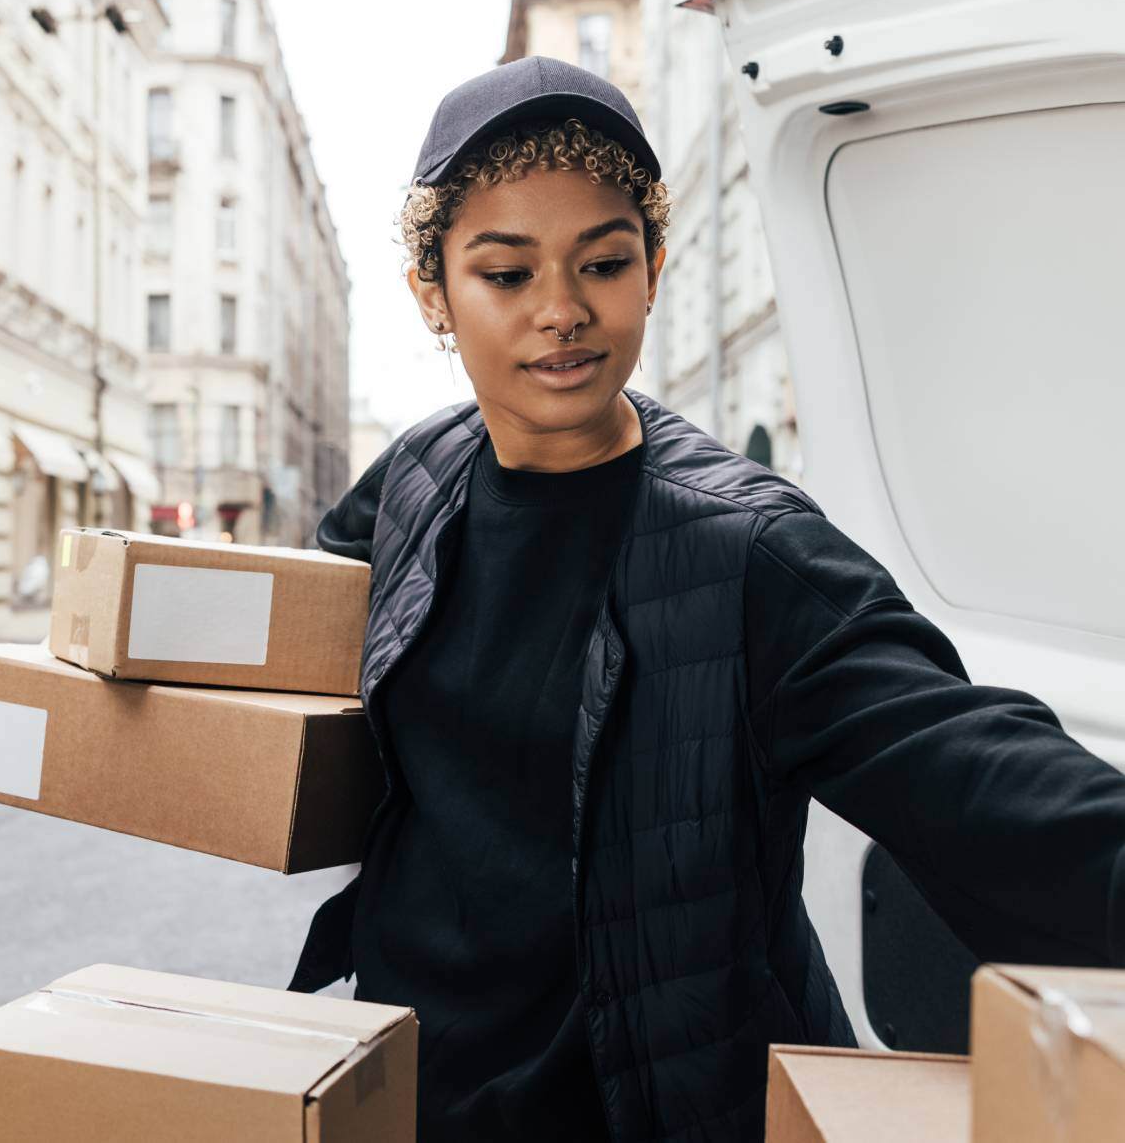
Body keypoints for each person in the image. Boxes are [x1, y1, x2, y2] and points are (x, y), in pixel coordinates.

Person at [287, 56, 1125, 1143]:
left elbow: (978, 774)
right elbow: (295, 628)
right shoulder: (414, 477)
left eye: (602, 262)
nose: (561, 311)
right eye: (505, 273)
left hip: (661, 1105)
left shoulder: (750, 551)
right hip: (421, 1085)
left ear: (653, 269)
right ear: (433, 292)